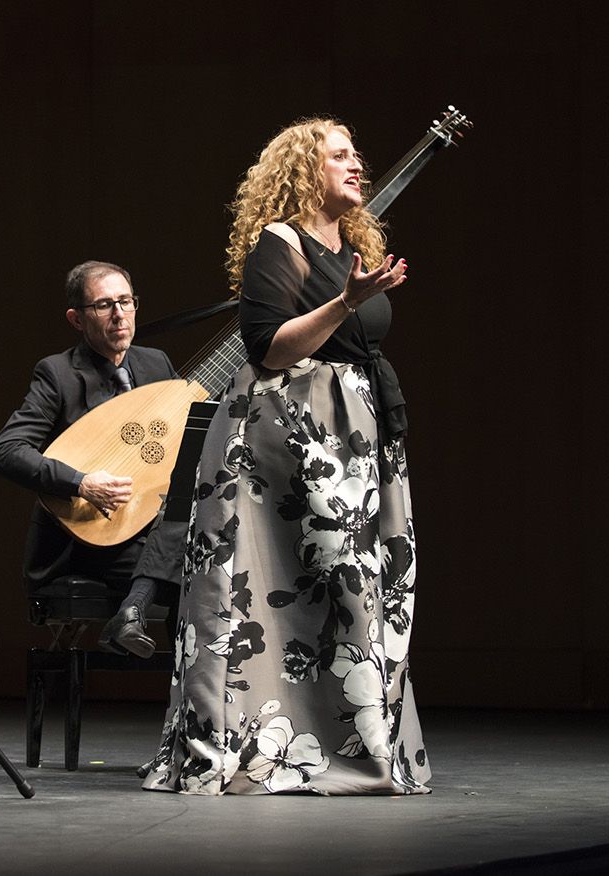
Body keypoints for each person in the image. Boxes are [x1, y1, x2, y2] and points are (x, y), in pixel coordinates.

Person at [141, 117, 430, 796]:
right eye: (339, 156)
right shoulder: (281, 241)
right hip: (290, 439)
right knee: (303, 591)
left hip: (352, 436)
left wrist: (354, 300)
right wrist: (345, 302)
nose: (356, 165)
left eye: (357, 154)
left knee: (362, 590)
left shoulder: (351, 245)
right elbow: (268, 348)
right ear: (304, 170)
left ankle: (355, 745)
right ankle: (266, 747)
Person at [0, 261, 186, 657]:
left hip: (149, 526)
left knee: (200, 535)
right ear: (76, 319)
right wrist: (81, 483)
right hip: (84, 541)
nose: (119, 315)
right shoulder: (57, 374)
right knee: (190, 562)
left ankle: (137, 617)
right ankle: (183, 674)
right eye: (104, 305)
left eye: (126, 301)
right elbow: (6, 450)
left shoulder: (156, 364)